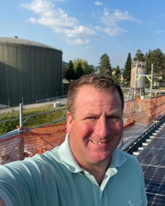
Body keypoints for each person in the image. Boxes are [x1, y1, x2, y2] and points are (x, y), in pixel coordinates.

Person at [0, 74, 147, 206]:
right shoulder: (37, 177)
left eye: (113, 117)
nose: (103, 132)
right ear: (70, 121)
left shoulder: (132, 167)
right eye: (91, 117)